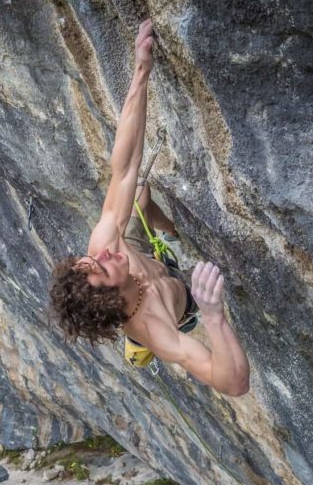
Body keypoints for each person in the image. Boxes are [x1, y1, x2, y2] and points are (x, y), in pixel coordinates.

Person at [48, 20, 250, 397]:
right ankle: (138, 345)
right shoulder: (157, 331)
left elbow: (123, 168)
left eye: (91, 260)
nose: (104, 253)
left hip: (152, 266)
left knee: (138, 192)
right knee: (154, 320)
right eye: (102, 267)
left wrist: (141, 71)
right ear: (110, 297)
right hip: (184, 305)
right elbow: (233, 384)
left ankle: (167, 232)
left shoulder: (105, 247)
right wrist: (213, 315)